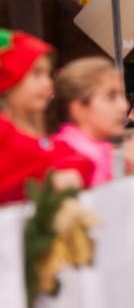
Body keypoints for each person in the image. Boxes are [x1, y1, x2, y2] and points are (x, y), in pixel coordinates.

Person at [0, 30, 88, 204]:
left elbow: (76, 160)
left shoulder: (39, 134)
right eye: (36, 74)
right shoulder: (4, 132)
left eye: (48, 74)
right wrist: (50, 180)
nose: (48, 83)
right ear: (11, 81)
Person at [51, 57, 134, 187]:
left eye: (121, 95)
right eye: (111, 97)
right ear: (79, 109)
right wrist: (132, 172)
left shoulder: (96, 149)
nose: (124, 106)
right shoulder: (70, 161)